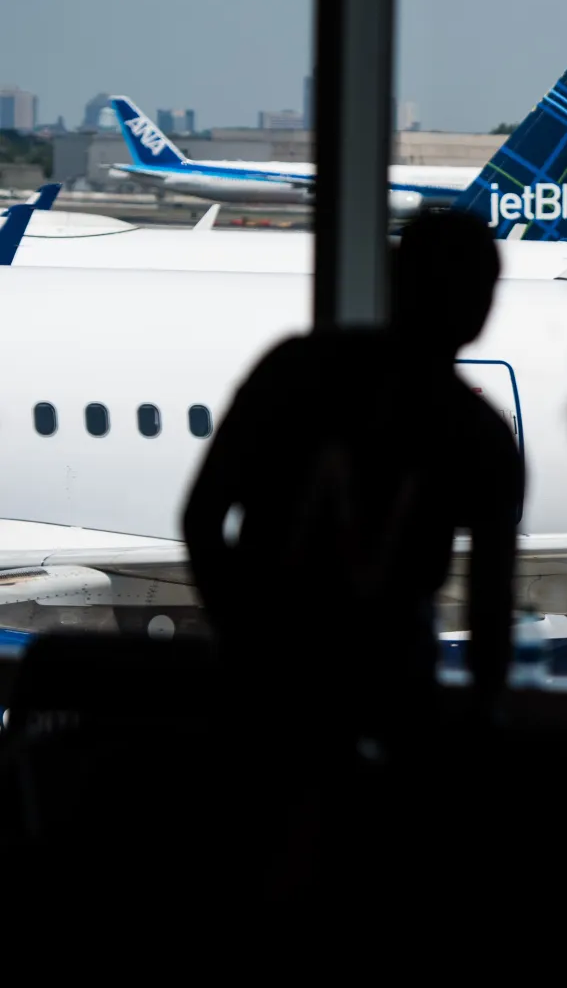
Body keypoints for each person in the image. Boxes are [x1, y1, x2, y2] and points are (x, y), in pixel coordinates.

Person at [183, 209, 522, 747]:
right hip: (391, 689)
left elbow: (202, 517)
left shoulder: (292, 369)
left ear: (393, 281)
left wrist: (240, 635)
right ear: (483, 309)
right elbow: (490, 604)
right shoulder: (478, 434)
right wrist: (483, 714)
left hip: (267, 681)